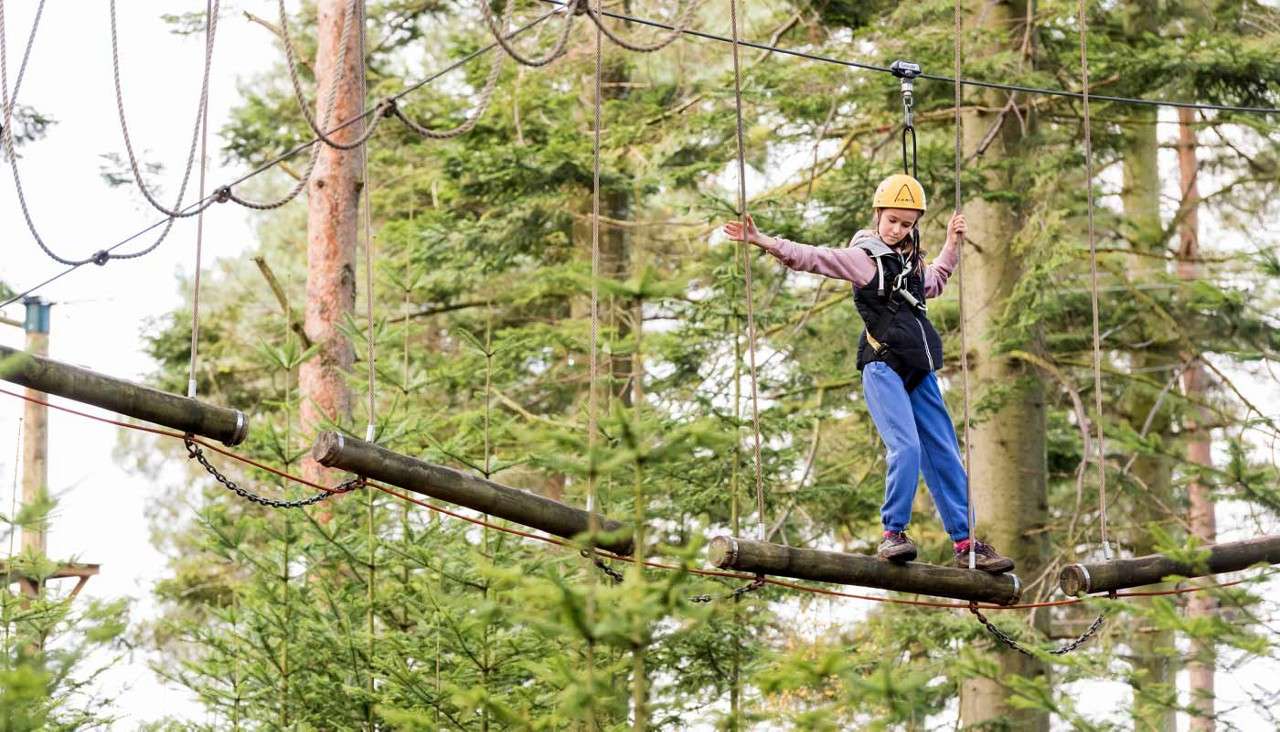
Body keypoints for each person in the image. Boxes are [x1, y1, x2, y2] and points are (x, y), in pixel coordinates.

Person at [722, 174, 1014, 574]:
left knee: (945, 453)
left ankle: (966, 544)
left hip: (919, 371)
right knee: (907, 449)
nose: (897, 230)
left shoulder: (912, 264)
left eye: (906, 224)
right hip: (882, 367)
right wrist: (766, 242)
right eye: (892, 220)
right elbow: (814, 258)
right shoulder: (864, 260)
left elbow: (937, 281)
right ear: (878, 215)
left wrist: (951, 244)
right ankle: (893, 533)